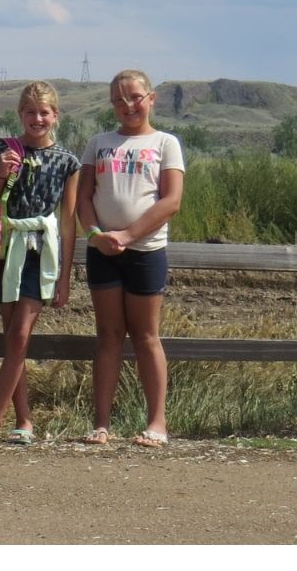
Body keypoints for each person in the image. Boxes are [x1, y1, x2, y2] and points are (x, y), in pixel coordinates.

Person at [77, 69, 185, 448]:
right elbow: (84, 198)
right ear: (111, 105)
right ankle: (101, 423)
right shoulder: (99, 143)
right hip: (102, 251)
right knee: (108, 336)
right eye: (120, 100)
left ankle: (157, 423)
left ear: (151, 98)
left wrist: (127, 235)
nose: (128, 105)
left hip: (145, 250)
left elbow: (171, 201)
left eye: (135, 97)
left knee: (145, 336)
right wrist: (95, 235)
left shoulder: (165, 142)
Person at [0, 81, 80, 445]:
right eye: (30, 112)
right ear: (20, 114)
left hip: (41, 252)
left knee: (19, 335)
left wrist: (65, 276)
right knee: (12, 340)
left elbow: (68, 221)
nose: (37, 118)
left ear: (55, 116)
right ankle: (26, 420)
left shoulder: (67, 161)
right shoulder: (3, 149)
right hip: (5, 247)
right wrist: (1, 173)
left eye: (44, 112)